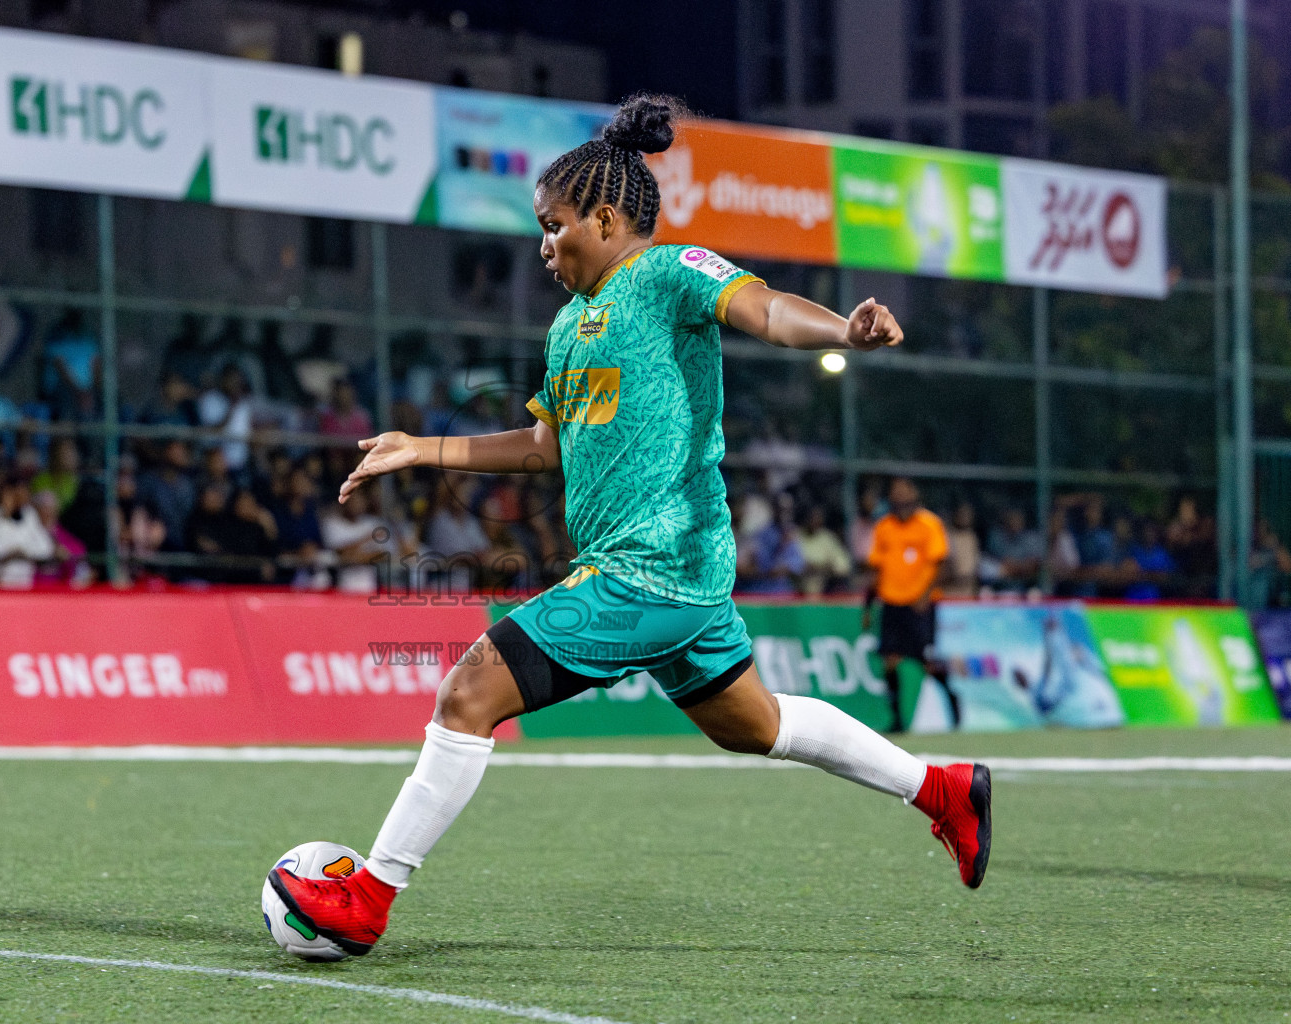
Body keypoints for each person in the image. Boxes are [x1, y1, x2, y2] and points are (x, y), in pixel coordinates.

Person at [268, 95, 991, 959]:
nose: (544, 245)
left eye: (554, 225)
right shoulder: (571, 324)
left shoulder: (669, 272)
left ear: (606, 218)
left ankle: (370, 897)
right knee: (753, 725)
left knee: (469, 692)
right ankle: (941, 790)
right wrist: (423, 447)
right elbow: (546, 447)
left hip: (654, 569)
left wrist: (843, 329)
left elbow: (763, 309)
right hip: (663, 575)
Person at [862, 477, 961, 733]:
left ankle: (953, 700)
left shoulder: (929, 524)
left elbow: (941, 563)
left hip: (920, 606)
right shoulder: (884, 527)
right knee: (890, 662)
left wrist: (925, 596)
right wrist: (868, 606)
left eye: (906, 494)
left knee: (926, 662)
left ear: (916, 497)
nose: (902, 499)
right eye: (897, 495)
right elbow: (876, 570)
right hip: (892, 603)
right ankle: (897, 720)